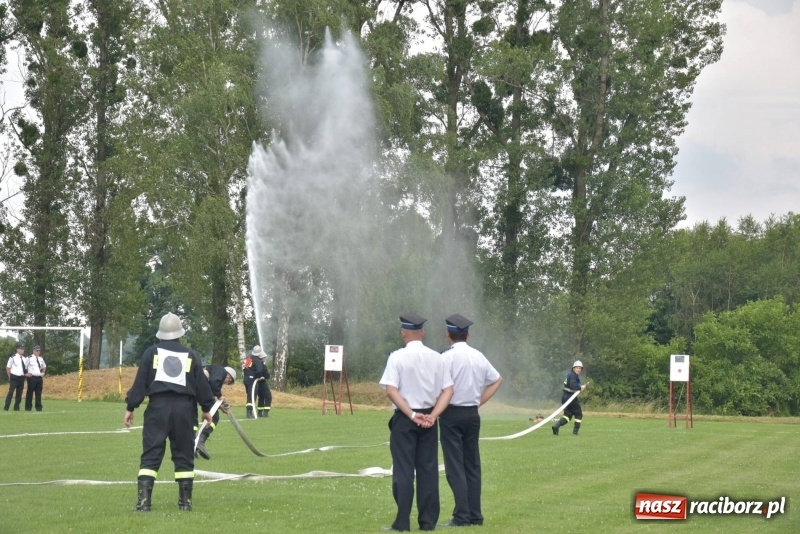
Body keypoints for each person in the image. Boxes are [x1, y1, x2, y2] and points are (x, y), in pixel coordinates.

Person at [123, 312, 215, 512]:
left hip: (157, 408)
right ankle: (185, 503)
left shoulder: (151, 353)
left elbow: (140, 384)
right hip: (185, 410)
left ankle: (144, 503)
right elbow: (202, 385)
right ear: (180, 333)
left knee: (151, 453)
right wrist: (207, 408)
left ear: (160, 333)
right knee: (184, 454)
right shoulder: (191, 355)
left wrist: (131, 406)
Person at [380, 312, 454, 532]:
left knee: (403, 470)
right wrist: (434, 415)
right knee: (428, 471)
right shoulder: (437, 358)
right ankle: (428, 522)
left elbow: (391, 390)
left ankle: (402, 522)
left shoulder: (396, 357)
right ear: (422, 332)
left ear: (403, 333)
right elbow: (448, 390)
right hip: (429, 419)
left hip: (405, 418)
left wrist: (411, 415)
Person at [438, 314, 503, 527]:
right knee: (472, 466)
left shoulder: (445, 357)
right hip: (472, 414)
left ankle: (461, 516)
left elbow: (437, 387)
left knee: (455, 466)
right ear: (468, 335)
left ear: (448, 334)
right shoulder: (478, 356)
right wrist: (478, 402)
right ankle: (475, 515)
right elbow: (497, 380)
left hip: (451, 413)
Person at [195, 364, 236, 460]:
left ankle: (191, 446)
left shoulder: (213, 373)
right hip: (199, 385)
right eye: (229, 381)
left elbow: (211, 395)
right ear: (229, 375)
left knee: (191, 418)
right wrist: (220, 395)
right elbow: (214, 384)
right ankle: (200, 441)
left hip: (193, 386)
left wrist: (220, 406)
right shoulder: (221, 371)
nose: (227, 382)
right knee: (214, 417)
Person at [552, 360, 587, 436]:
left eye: (580, 368)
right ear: (573, 368)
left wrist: (580, 387)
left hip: (565, 396)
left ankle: (556, 426)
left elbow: (574, 386)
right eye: (577, 368)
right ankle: (575, 432)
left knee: (567, 415)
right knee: (578, 414)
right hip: (570, 397)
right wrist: (580, 388)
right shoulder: (573, 375)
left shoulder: (571, 375)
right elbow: (573, 386)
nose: (578, 369)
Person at [242, 345, 268, 419]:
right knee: (252, 396)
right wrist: (258, 376)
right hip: (252, 380)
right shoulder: (257, 360)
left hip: (246, 379)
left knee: (249, 395)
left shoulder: (249, 358)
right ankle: (249, 413)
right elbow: (259, 371)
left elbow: (245, 368)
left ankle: (249, 411)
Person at [4, 344, 28, 412]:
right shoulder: (13, 357)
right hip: (14, 377)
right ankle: (6, 407)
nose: (22, 350)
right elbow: (8, 367)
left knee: (19, 393)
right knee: (11, 392)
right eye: (21, 349)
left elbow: (25, 369)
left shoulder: (24, 358)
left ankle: (16, 407)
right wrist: (9, 376)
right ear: (17, 350)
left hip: (21, 377)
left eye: (23, 349)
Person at [24, 345, 47, 412]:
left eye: (39, 351)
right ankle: (28, 408)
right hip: (32, 377)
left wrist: (43, 373)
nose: (38, 352)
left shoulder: (40, 358)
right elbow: (24, 366)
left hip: (39, 378)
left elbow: (44, 366)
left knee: (38, 393)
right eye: (37, 350)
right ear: (33, 351)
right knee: (30, 393)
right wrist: (26, 374)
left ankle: (39, 408)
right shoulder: (29, 358)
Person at [255, 350, 272, 418]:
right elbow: (267, 375)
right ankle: (265, 412)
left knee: (261, 397)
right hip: (262, 383)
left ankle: (259, 413)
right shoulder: (262, 365)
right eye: (264, 357)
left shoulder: (255, 365)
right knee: (268, 396)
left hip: (257, 384)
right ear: (261, 358)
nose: (265, 359)